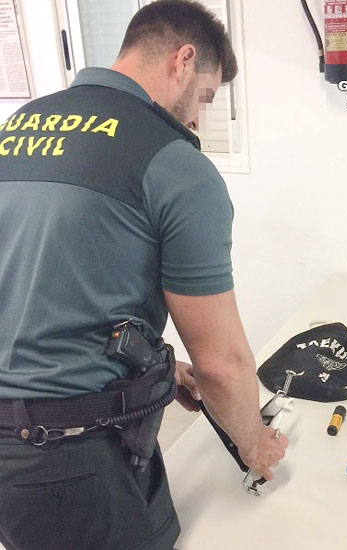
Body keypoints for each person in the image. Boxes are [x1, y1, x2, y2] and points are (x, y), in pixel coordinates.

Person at [0, 1, 288, 549]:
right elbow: (222, 363)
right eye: (205, 97)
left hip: (46, 437)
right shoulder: (175, 163)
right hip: (65, 453)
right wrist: (253, 443)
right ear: (183, 60)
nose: (197, 117)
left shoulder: (19, 127)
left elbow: (46, 281)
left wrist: (156, 368)